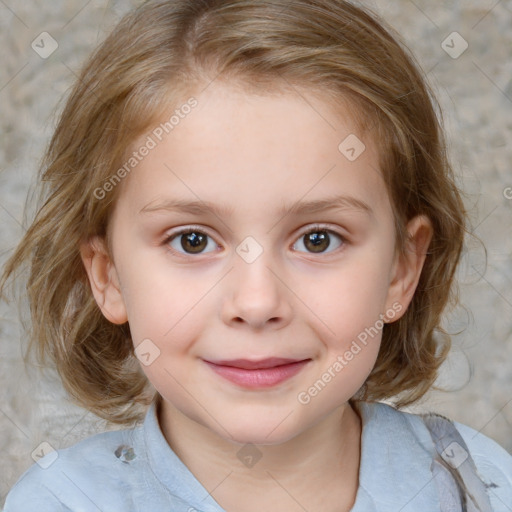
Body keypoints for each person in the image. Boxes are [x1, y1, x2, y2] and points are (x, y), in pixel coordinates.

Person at [1, 0, 511, 510]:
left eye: (318, 239)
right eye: (192, 240)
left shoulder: (479, 486)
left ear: (401, 269)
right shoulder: (58, 502)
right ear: (108, 276)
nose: (258, 300)